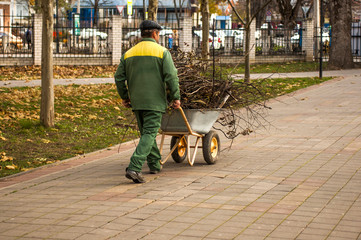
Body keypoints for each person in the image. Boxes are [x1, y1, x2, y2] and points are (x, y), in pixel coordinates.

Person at [114, 20, 181, 184]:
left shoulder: (129, 53)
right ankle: (134, 167)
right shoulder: (162, 52)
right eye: (158, 34)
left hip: (137, 102)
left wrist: (125, 97)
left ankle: (154, 164)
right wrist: (175, 96)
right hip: (154, 101)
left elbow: (118, 77)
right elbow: (171, 76)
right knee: (150, 133)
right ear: (155, 34)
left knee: (146, 134)